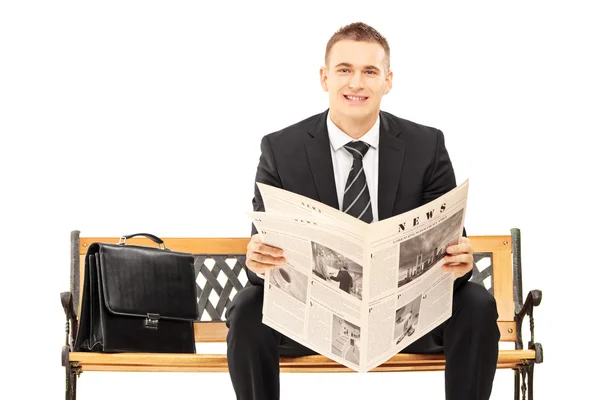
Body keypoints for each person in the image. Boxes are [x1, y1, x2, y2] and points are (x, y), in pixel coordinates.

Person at [226, 22, 500, 400]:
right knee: (246, 308)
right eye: (344, 70)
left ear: (388, 80)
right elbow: (264, 265)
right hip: (315, 319)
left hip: (405, 320)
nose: (356, 83)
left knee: (477, 305)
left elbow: (451, 249)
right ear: (324, 78)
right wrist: (257, 261)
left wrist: (461, 261)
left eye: (370, 71)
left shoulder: (426, 146)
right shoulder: (280, 149)